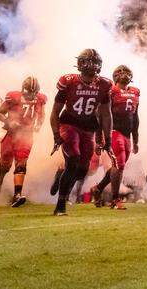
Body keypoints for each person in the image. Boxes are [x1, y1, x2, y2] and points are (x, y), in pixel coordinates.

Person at [50, 48, 113, 216]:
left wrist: (107, 139)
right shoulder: (69, 81)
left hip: (88, 128)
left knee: (83, 170)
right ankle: (60, 205)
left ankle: (60, 175)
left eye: (95, 62)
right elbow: (55, 112)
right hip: (69, 124)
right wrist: (56, 135)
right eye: (88, 61)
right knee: (73, 159)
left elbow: (106, 115)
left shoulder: (104, 84)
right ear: (80, 63)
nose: (92, 65)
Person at [0, 76, 47, 207]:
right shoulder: (13, 97)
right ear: (24, 89)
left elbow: (42, 115)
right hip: (11, 134)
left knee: (21, 163)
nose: (31, 95)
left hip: (26, 135)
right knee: (5, 164)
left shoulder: (40, 99)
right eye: (29, 92)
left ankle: (17, 195)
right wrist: (9, 122)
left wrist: (38, 125)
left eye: (34, 92)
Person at [93, 65, 140, 209]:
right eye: (120, 72)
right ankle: (115, 199)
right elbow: (101, 115)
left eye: (126, 72)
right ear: (115, 76)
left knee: (117, 166)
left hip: (127, 134)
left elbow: (135, 117)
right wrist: (99, 140)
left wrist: (136, 140)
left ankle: (98, 189)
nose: (124, 75)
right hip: (113, 131)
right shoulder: (111, 91)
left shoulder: (135, 92)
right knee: (119, 164)